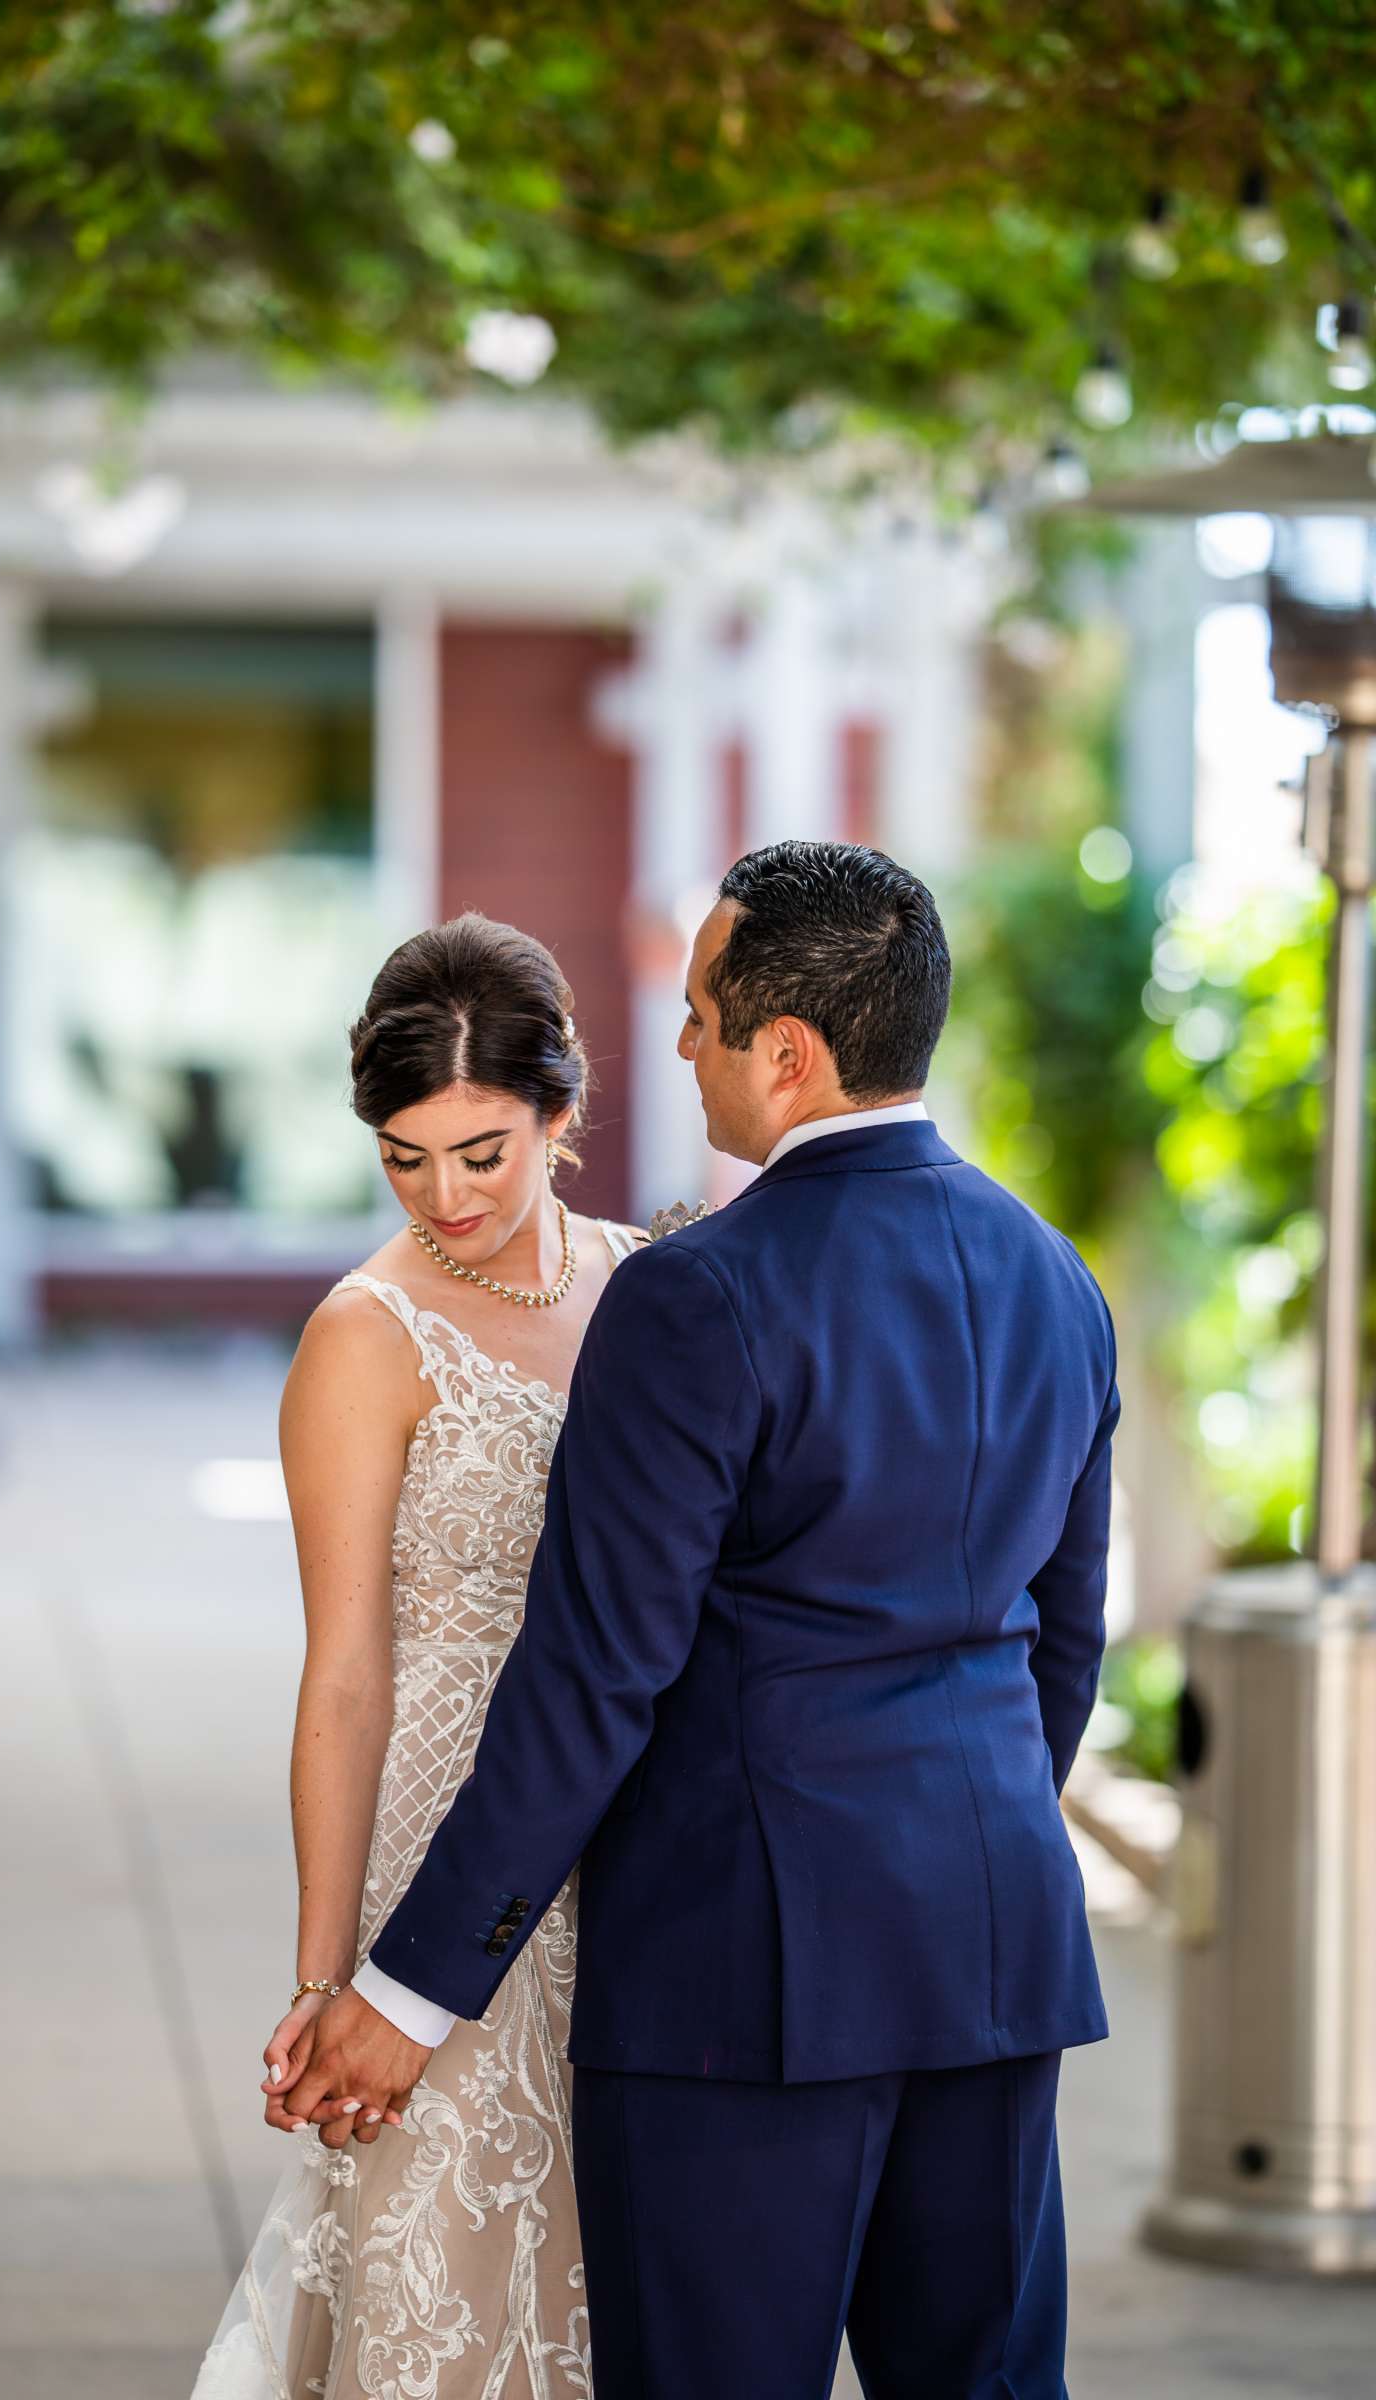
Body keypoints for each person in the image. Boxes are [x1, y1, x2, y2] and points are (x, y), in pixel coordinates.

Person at [280, 840, 1120, 2400]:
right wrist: (958, 1837)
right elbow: (1061, 1645)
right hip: (991, 1945)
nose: (680, 1048)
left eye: (701, 1019)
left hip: (741, 1980)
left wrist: (405, 1993)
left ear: (785, 1057)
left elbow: (596, 1673)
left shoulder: (696, 1294)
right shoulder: (1053, 1276)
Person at [193, 913, 645, 2400]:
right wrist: (330, 1975)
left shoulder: (650, 1286)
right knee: (446, 2254)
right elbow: (345, 1676)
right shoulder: (362, 1336)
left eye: (482, 1152)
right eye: (404, 1155)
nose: (444, 1195)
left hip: (635, 1838)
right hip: (442, 1845)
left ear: (562, 1117)